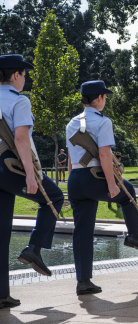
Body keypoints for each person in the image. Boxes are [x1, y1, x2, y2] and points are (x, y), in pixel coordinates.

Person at [66, 80, 138, 295]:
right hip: (94, 177)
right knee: (128, 191)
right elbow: (104, 154)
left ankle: (83, 281)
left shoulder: (71, 123)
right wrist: (112, 184)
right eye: (104, 97)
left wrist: (71, 180)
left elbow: (70, 158)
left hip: (75, 178)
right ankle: (133, 235)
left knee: (82, 231)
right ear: (100, 98)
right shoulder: (103, 122)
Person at [0, 54, 64, 309]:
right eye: (24, 74)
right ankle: (34, 249)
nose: (25, 79)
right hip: (11, 166)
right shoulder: (19, 101)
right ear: (15, 75)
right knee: (54, 197)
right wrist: (30, 174)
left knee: (2, 233)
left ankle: (2, 294)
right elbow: (21, 139)